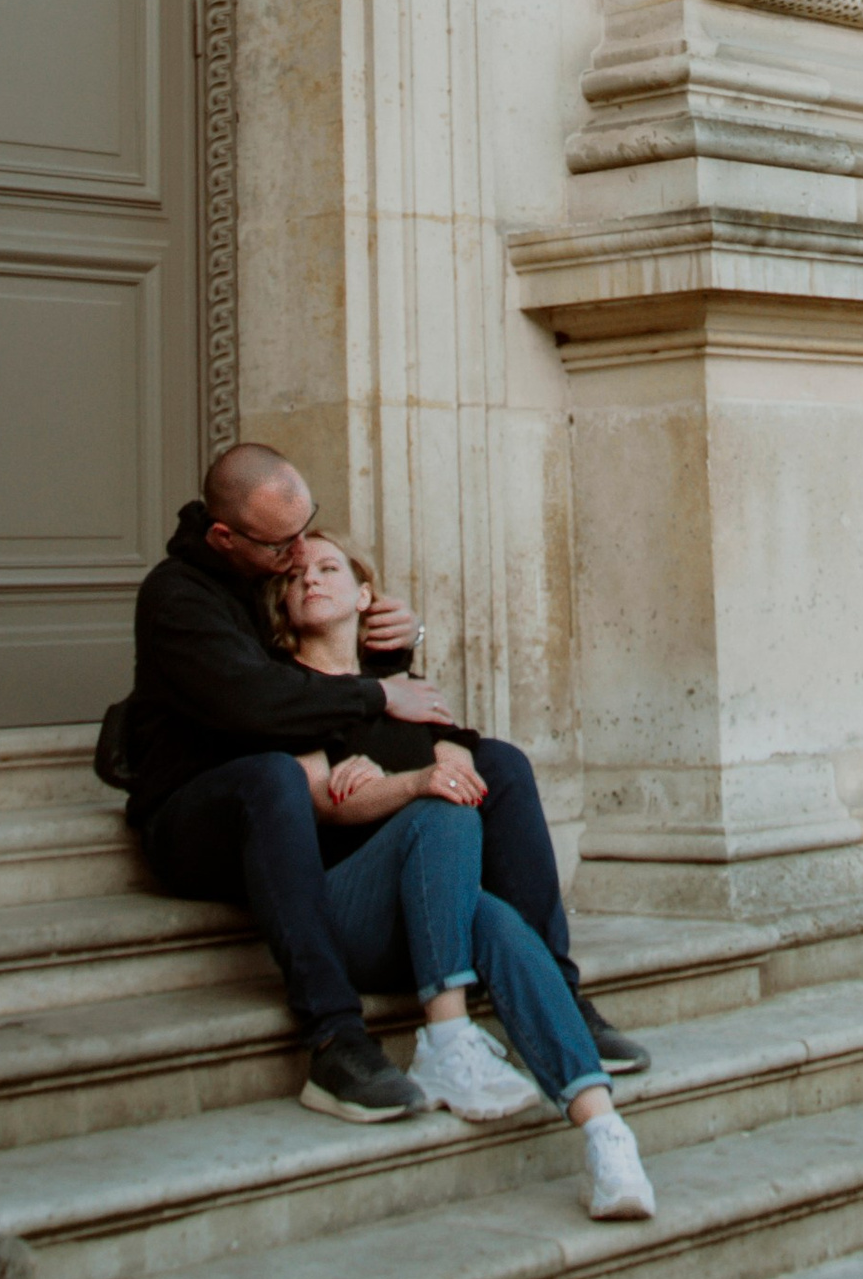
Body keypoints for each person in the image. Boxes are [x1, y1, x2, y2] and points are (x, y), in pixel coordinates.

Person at [117, 442, 649, 1135]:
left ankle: (557, 992)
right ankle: (335, 1039)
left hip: (300, 777)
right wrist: (376, 695)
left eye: (311, 527)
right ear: (227, 537)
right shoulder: (178, 596)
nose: (302, 553)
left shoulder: (273, 561)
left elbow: (330, 664)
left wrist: (395, 645)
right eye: (287, 545)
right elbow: (261, 701)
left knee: (502, 764)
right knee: (276, 778)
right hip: (198, 812)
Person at [268, 535, 655, 1218]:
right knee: (443, 811)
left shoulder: (408, 694)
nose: (311, 580)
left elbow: (462, 758)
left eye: (329, 568)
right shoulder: (283, 691)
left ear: (364, 596)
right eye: (296, 575)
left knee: (497, 920)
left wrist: (423, 761)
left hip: (431, 912)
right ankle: (446, 1037)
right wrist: (414, 781)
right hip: (351, 914)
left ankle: (605, 1132)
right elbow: (322, 804)